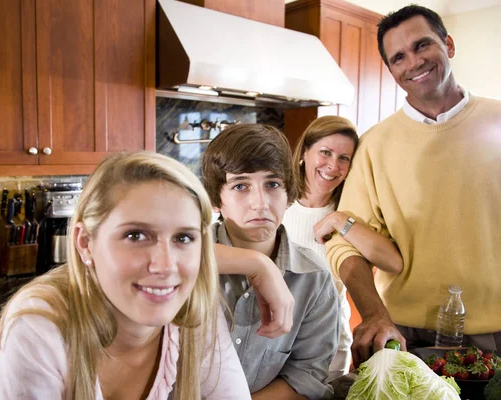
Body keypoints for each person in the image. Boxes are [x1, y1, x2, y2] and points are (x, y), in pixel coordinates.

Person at [0, 152, 251, 400]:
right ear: (85, 243)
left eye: (183, 238)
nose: (165, 266)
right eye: (136, 235)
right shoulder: (42, 324)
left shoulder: (195, 311)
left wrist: (260, 267)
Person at [326, 4, 501, 367]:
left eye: (423, 46)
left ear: (448, 45)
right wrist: (374, 314)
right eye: (399, 57)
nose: (414, 63)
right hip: (405, 334)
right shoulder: (374, 145)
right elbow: (345, 243)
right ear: (391, 70)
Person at [202, 123, 340, 400]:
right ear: (216, 199)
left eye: (273, 184)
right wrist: (258, 264)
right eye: (240, 186)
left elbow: (307, 374)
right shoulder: (182, 255)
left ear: (289, 194)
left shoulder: (314, 278)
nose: (260, 202)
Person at [282, 115, 403, 380]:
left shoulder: (349, 214)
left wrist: (340, 220)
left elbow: (393, 263)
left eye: (344, 158)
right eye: (325, 153)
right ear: (304, 153)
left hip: (329, 344)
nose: (332, 166)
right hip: (272, 340)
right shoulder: (276, 203)